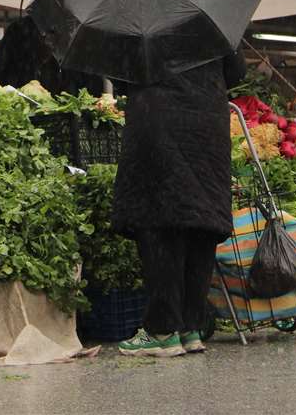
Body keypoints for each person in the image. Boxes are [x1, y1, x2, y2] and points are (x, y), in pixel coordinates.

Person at [112, 49, 246, 359]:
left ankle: (162, 331)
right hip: (208, 127)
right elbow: (236, 72)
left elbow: (120, 77)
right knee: (201, 224)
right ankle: (189, 328)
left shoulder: (139, 22)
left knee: (158, 223)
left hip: (158, 123)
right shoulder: (211, 15)